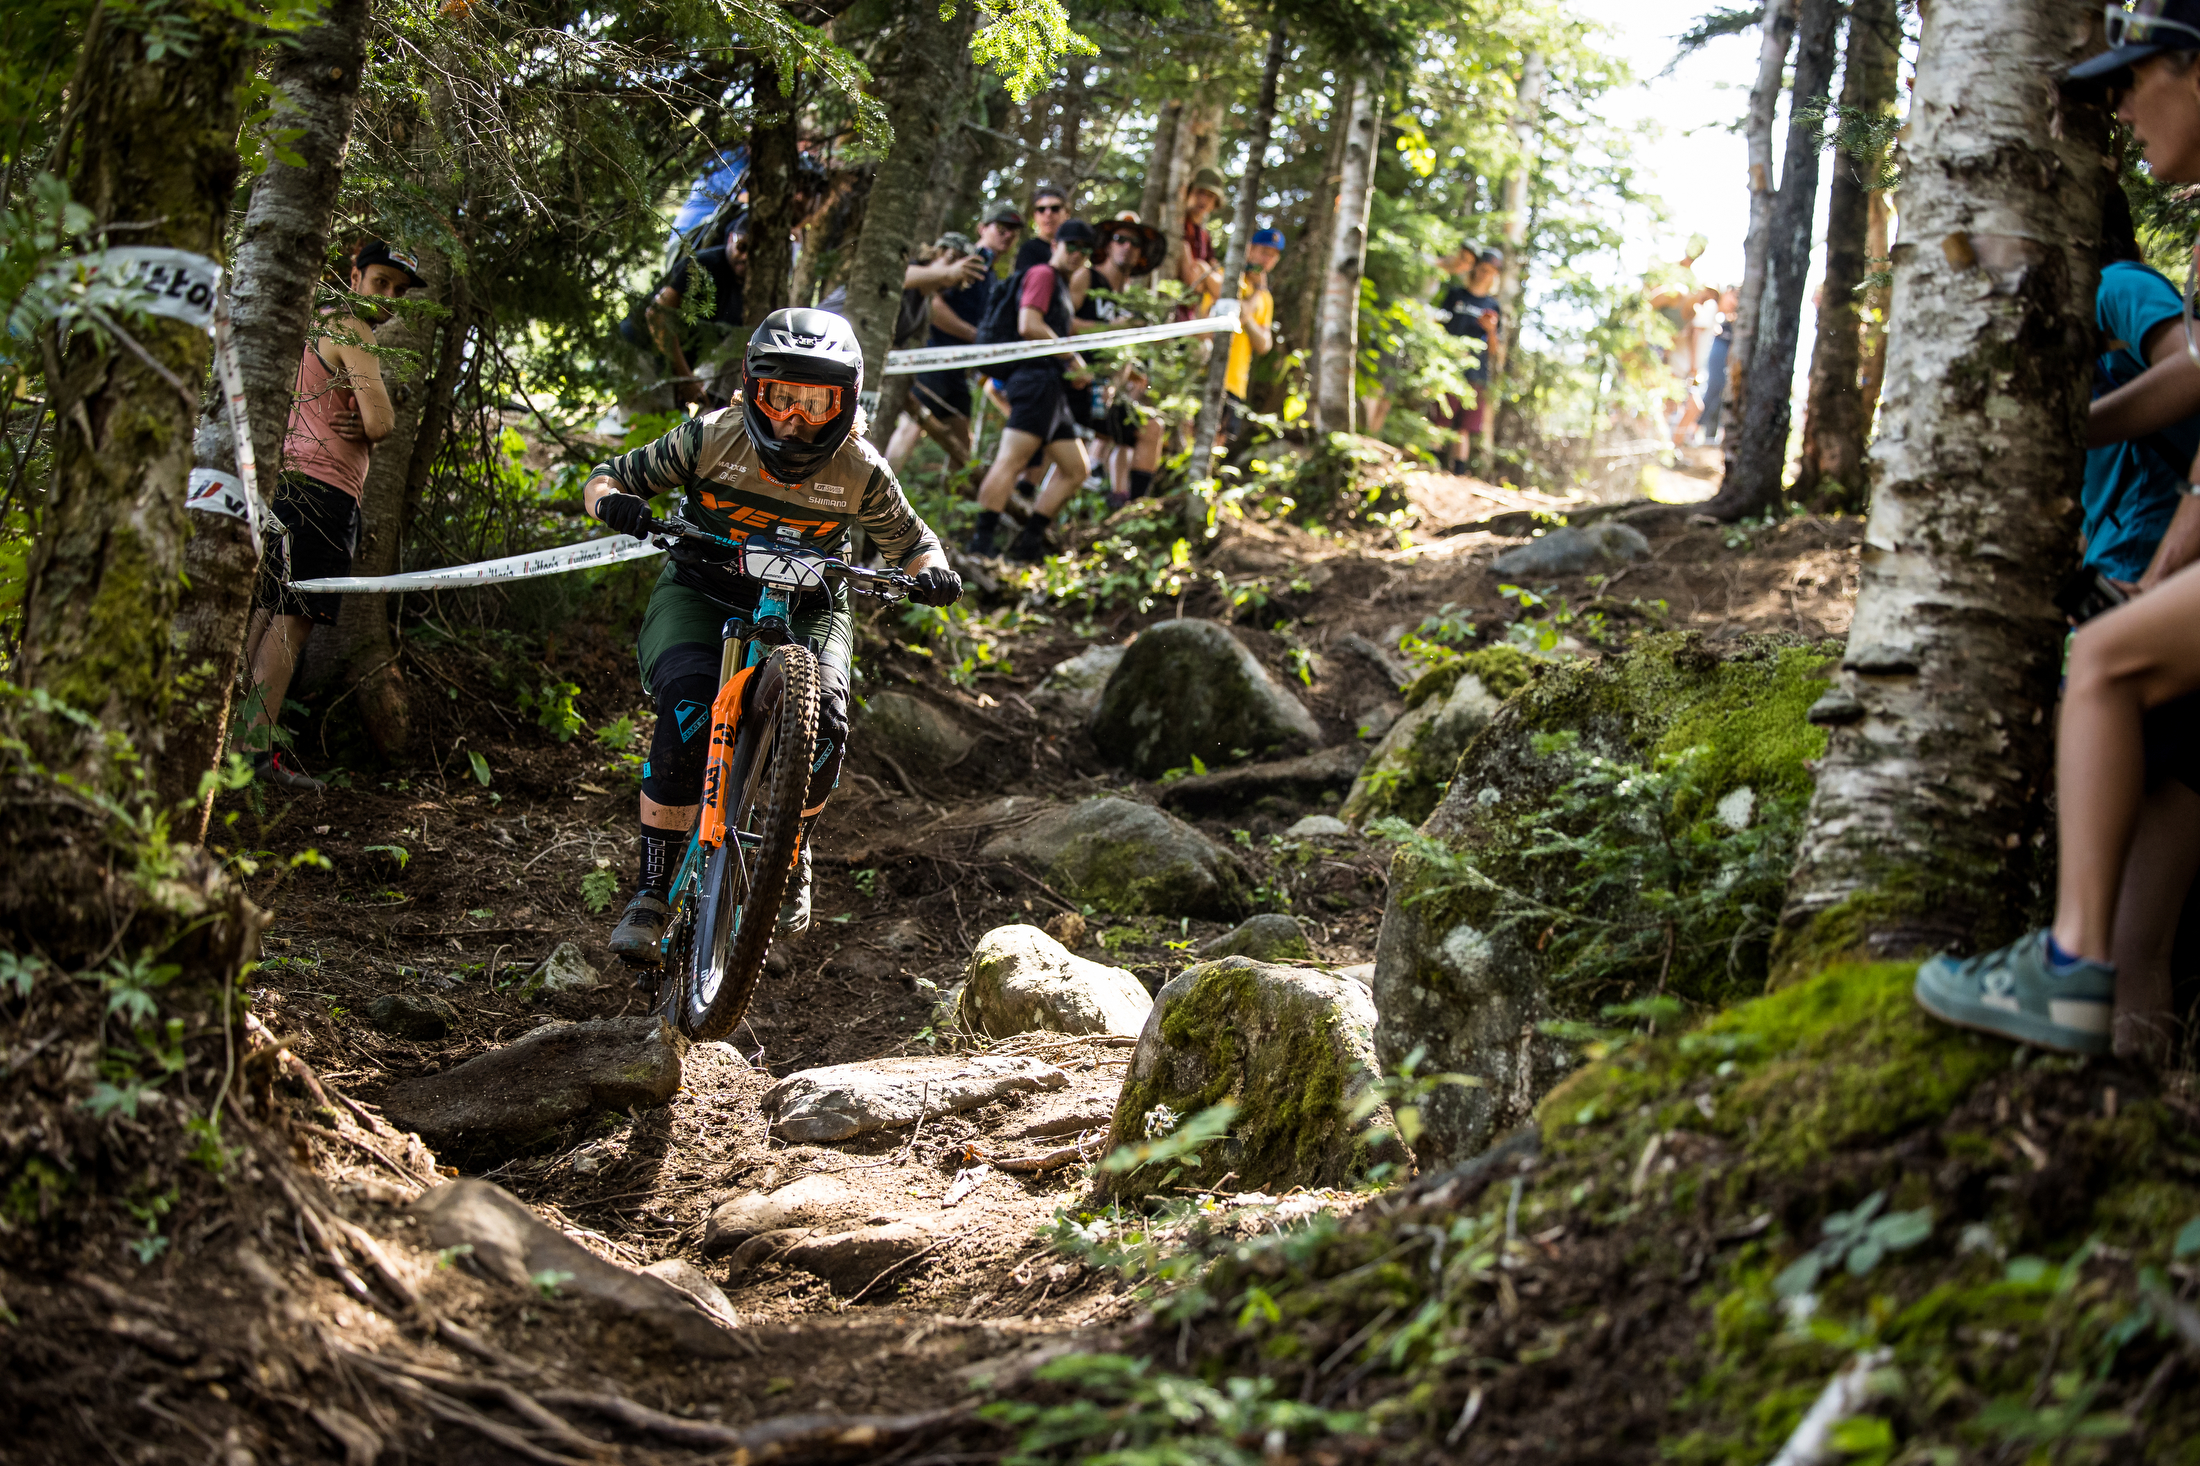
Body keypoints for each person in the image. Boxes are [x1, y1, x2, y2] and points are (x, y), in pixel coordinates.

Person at [1913, 17, 2200, 1064]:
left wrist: (2069, 422)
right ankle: (2124, 1061)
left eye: (2132, 82)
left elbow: (2196, 378)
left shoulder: (2120, 287)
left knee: (2106, 669)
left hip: (2138, 557)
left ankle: (2069, 972)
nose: (2121, 110)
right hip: (2149, 568)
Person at [583, 309, 963, 959]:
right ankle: (650, 891)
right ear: (752, 393)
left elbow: (917, 544)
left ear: (845, 405)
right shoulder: (711, 438)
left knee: (828, 724)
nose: (794, 419)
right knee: (685, 709)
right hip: (702, 592)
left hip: (811, 604)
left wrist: (935, 575)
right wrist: (614, 503)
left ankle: (790, 855)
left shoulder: (860, 469)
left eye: (816, 404)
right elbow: (605, 478)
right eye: (780, 398)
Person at [240, 240, 422, 792]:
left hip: (282, 485)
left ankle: (226, 741)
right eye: (380, 281)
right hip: (322, 494)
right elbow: (381, 421)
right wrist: (370, 422)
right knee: (291, 621)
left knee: (267, 611)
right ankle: (252, 757)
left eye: (398, 289)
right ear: (354, 276)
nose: (387, 294)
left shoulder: (312, 324)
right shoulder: (353, 330)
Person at [966, 219, 1100, 562]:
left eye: (1085, 252)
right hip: (1035, 382)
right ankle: (981, 544)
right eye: (1072, 246)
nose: (1077, 255)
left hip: (1052, 389)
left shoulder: (1062, 286)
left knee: (1076, 470)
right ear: (1056, 243)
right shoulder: (1042, 275)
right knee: (1011, 461)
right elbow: (1029, 324)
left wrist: (1072, 367)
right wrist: (1072, 359)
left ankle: (1029, 544)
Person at [644, 221, 750, 408]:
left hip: (672, 367)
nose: (746, 256)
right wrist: (685, 377)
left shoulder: (743, 284)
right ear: (729, 239)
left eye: (754, 252)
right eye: (742, 246)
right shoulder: (705, 265)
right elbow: (656, 315)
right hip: (644, 355)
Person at [1429, 245, 1504, 476]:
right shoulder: (1455, 295)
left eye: (1490, 271)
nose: (1484, 274)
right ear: (1475, 269)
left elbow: (1495, 350)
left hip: (1477, 373)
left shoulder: (1493, 307)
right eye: (1482, 268)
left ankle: (1459, 471)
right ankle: (1431, 462)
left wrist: (1490, 330)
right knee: (1440, 417)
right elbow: (1437, 325)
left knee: (1465, 426)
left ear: (1495, 275)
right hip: (1448, 365)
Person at [1216, 227, 1284, 448]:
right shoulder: (1227, 279)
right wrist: (1256, 292)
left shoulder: (1266, 299)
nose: (1267, 260)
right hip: (1212, 374)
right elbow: (1240, 312)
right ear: (1249, 250)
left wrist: (1253, 307)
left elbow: (1264, 344)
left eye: (1273, 256)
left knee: (1220, 444)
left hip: (1236, 383)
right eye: (1264, 252)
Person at [1174, 167, 1228, 319]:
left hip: (1190, 315)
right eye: (1200, 192)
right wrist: (1207, 275)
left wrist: (1201, 268)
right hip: (1171, 310)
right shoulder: (1179, 226)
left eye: (1210, 196)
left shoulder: (1205, 236)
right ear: (1189, 192)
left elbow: (1220, 289)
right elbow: (1193, 282)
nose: (1204, 200)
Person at [1697, 286, 1741, 443]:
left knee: (1719, 392)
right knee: (1713, 387)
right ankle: (1693, 428)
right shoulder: (1712, 309)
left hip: (1718, 360)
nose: (1735, 302)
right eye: (1734, 296)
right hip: (1702, 359)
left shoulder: (1727, 317)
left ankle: (1706, 434)